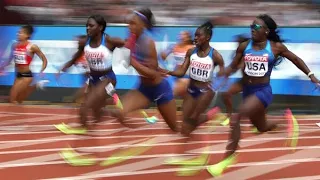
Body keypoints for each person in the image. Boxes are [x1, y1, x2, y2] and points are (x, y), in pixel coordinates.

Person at [207, 14, 320, 177]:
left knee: (237, 117)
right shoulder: (244, 46)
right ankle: (285, 118)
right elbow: (232, 67)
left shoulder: (275, 47)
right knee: (262, 127)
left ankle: (228, 158)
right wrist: (221, 76)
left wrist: (311, 76)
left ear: (266, 31)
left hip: (262, 92)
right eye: (251, 26)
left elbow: (295, 59)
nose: (253, 29)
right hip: (247, 90)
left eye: (257, 27)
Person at [112, 8, 179, 132]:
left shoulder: (148, 43)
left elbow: (152, 74)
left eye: (133, 23)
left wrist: (133, 62)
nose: (129, 27)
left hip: (160, 90)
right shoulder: (131, 41)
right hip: (143, 89)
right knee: (120, 113)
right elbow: (126, 64)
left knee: (175, 128)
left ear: (142, 25)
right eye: (129, 23)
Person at [59, 14, 126, 132]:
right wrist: (67, 66)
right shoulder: (85, 42)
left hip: (107, 78)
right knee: (96, 111)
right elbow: (77, 55)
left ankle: (82, 128)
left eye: (91, 26)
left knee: (85, 105)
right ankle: (115, 113)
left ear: (100, 27)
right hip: (93, 78)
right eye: (87, 26)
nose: (88, 28)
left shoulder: (109, 41)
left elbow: (127, 44)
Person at [160, 21, 224, 136]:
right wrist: (168, 72)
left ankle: (204, 116)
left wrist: (214, 86)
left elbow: (223, 74)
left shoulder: (215, 55)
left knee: (188, 127)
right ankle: (212, 114)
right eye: (195, 35)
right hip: (191, 90)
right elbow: (181, 71)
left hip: (204, 93)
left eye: (199, 35)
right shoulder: (190, 52)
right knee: (184, 124)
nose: (196, 38)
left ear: (207, 37)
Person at [0, 25, 48, 104]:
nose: (18, 34)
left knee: (13, 100)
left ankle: (34, 86)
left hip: (26, 76)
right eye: (18, 32)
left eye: (21, 33)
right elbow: (9, 60)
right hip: (18, 74)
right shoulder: (14, 46)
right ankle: (35, 86)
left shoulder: (32, 47)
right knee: (17, 100)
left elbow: (44, 59)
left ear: (27, 35)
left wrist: (42, 69)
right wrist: (2, 67)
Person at [160, 31, 194, 97]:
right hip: (176, 74)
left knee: (175, 92)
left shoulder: (193, 48)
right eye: (180, 35)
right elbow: (163, 56)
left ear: (188, 38)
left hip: (187, 75)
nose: (180, 37)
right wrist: (164, 53)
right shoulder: (174, 47)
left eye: (183, 35)